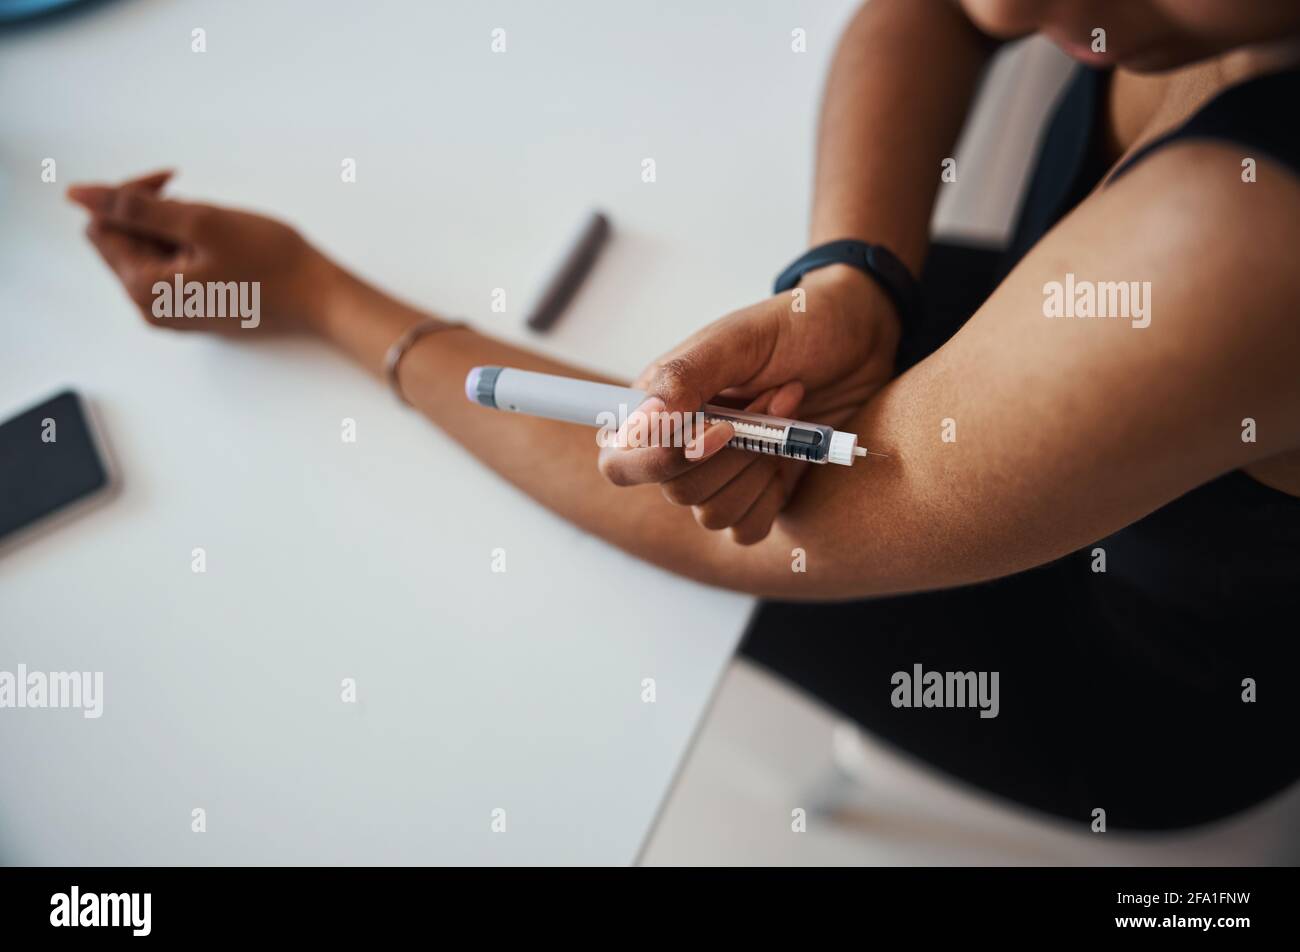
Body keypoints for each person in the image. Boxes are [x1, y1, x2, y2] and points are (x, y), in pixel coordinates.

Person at [69, 0, 1300, 831]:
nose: (1004, 12)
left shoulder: (1247, 240)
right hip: (1049, 361)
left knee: (547, 576)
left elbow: (750, 526)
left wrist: (317, 294)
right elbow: (929, 15)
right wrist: (850, 274)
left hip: (1127, 662)